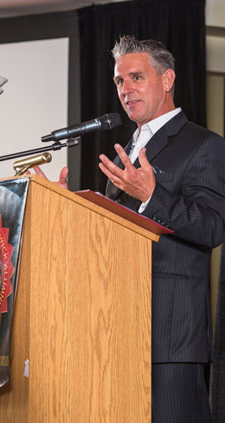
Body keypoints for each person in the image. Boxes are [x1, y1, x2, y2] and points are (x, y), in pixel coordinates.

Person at [33, 35, 225, 422]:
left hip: (170, 338)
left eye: (136, 77)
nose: (126, 89)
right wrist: (63, 207)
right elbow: (111, 236)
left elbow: (213, 226)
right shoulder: (128, 149)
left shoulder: (203, 145)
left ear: (167, 80)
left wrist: (153, 196)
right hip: (115, 329)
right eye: (120, 81)